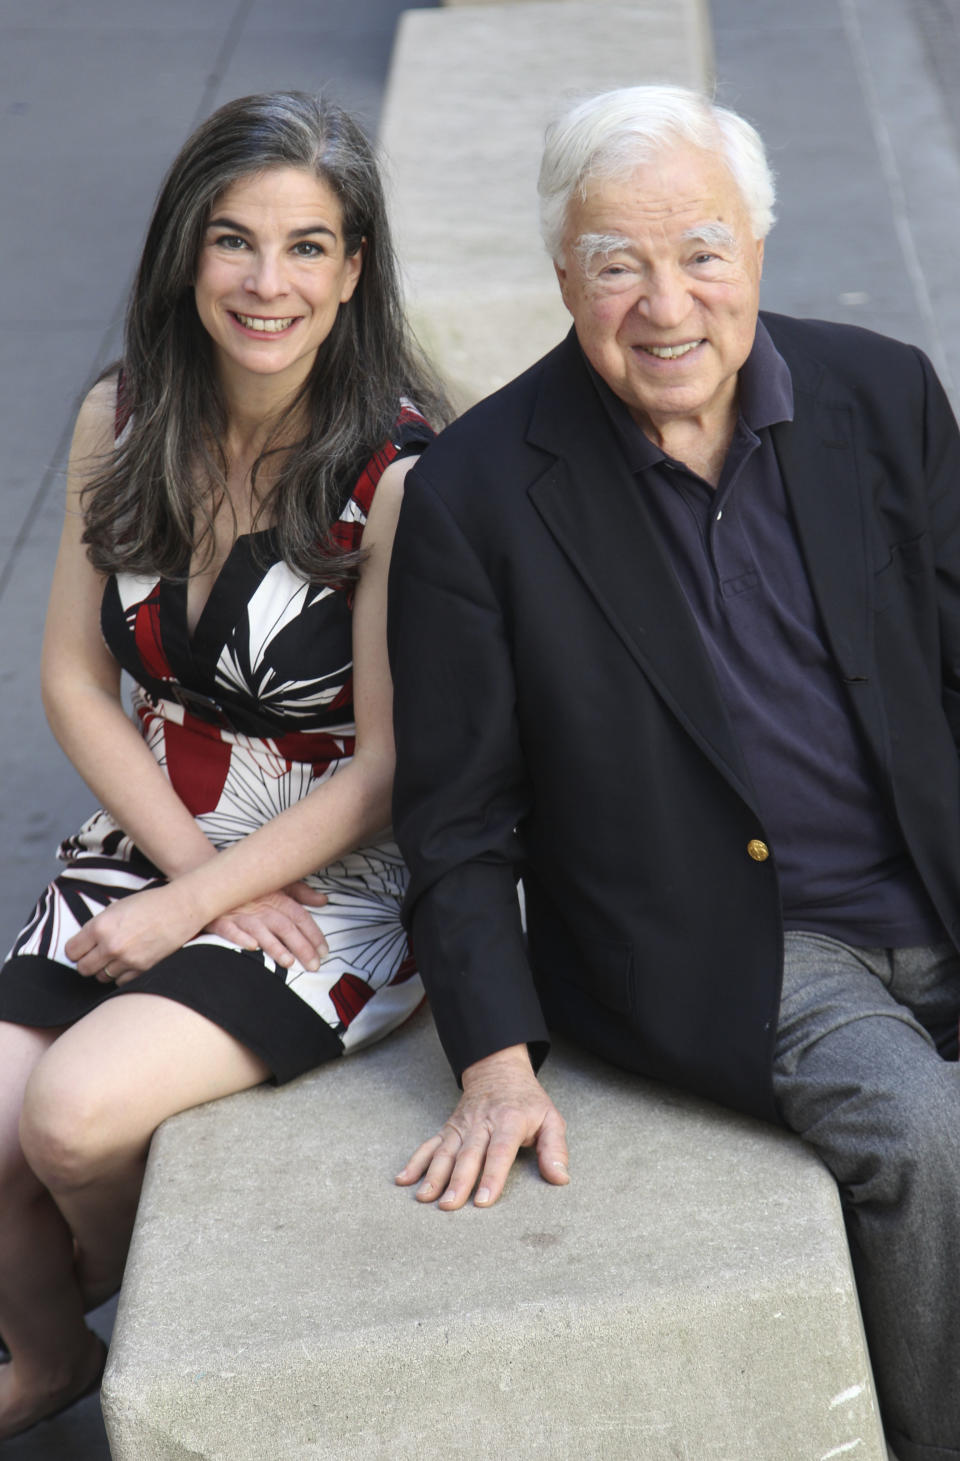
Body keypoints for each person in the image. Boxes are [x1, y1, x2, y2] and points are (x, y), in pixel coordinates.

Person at [387, 84, 960, 1461]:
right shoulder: (475, 494)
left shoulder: (880, 394)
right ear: (564, 276)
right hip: (749, 943)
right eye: (615, 263)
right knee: (931, 1146)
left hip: (932, 880)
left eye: (701, 252)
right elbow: (455, 817)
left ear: (756, 249)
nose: (665, 303)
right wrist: (494, 1056)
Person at [0, 90, 447, 1440]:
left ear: (355, 267)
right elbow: (75, 679)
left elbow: (388, 768)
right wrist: (188, 876)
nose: (268, 282)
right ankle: (43, 1352)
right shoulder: (120, 418)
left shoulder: (397, 473)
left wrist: (200, 901)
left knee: (72, 1122)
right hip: (157, 830)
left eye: (309, 246)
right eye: (235, 241)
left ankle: (123, 1306)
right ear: (186, 252)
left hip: (335, 868)